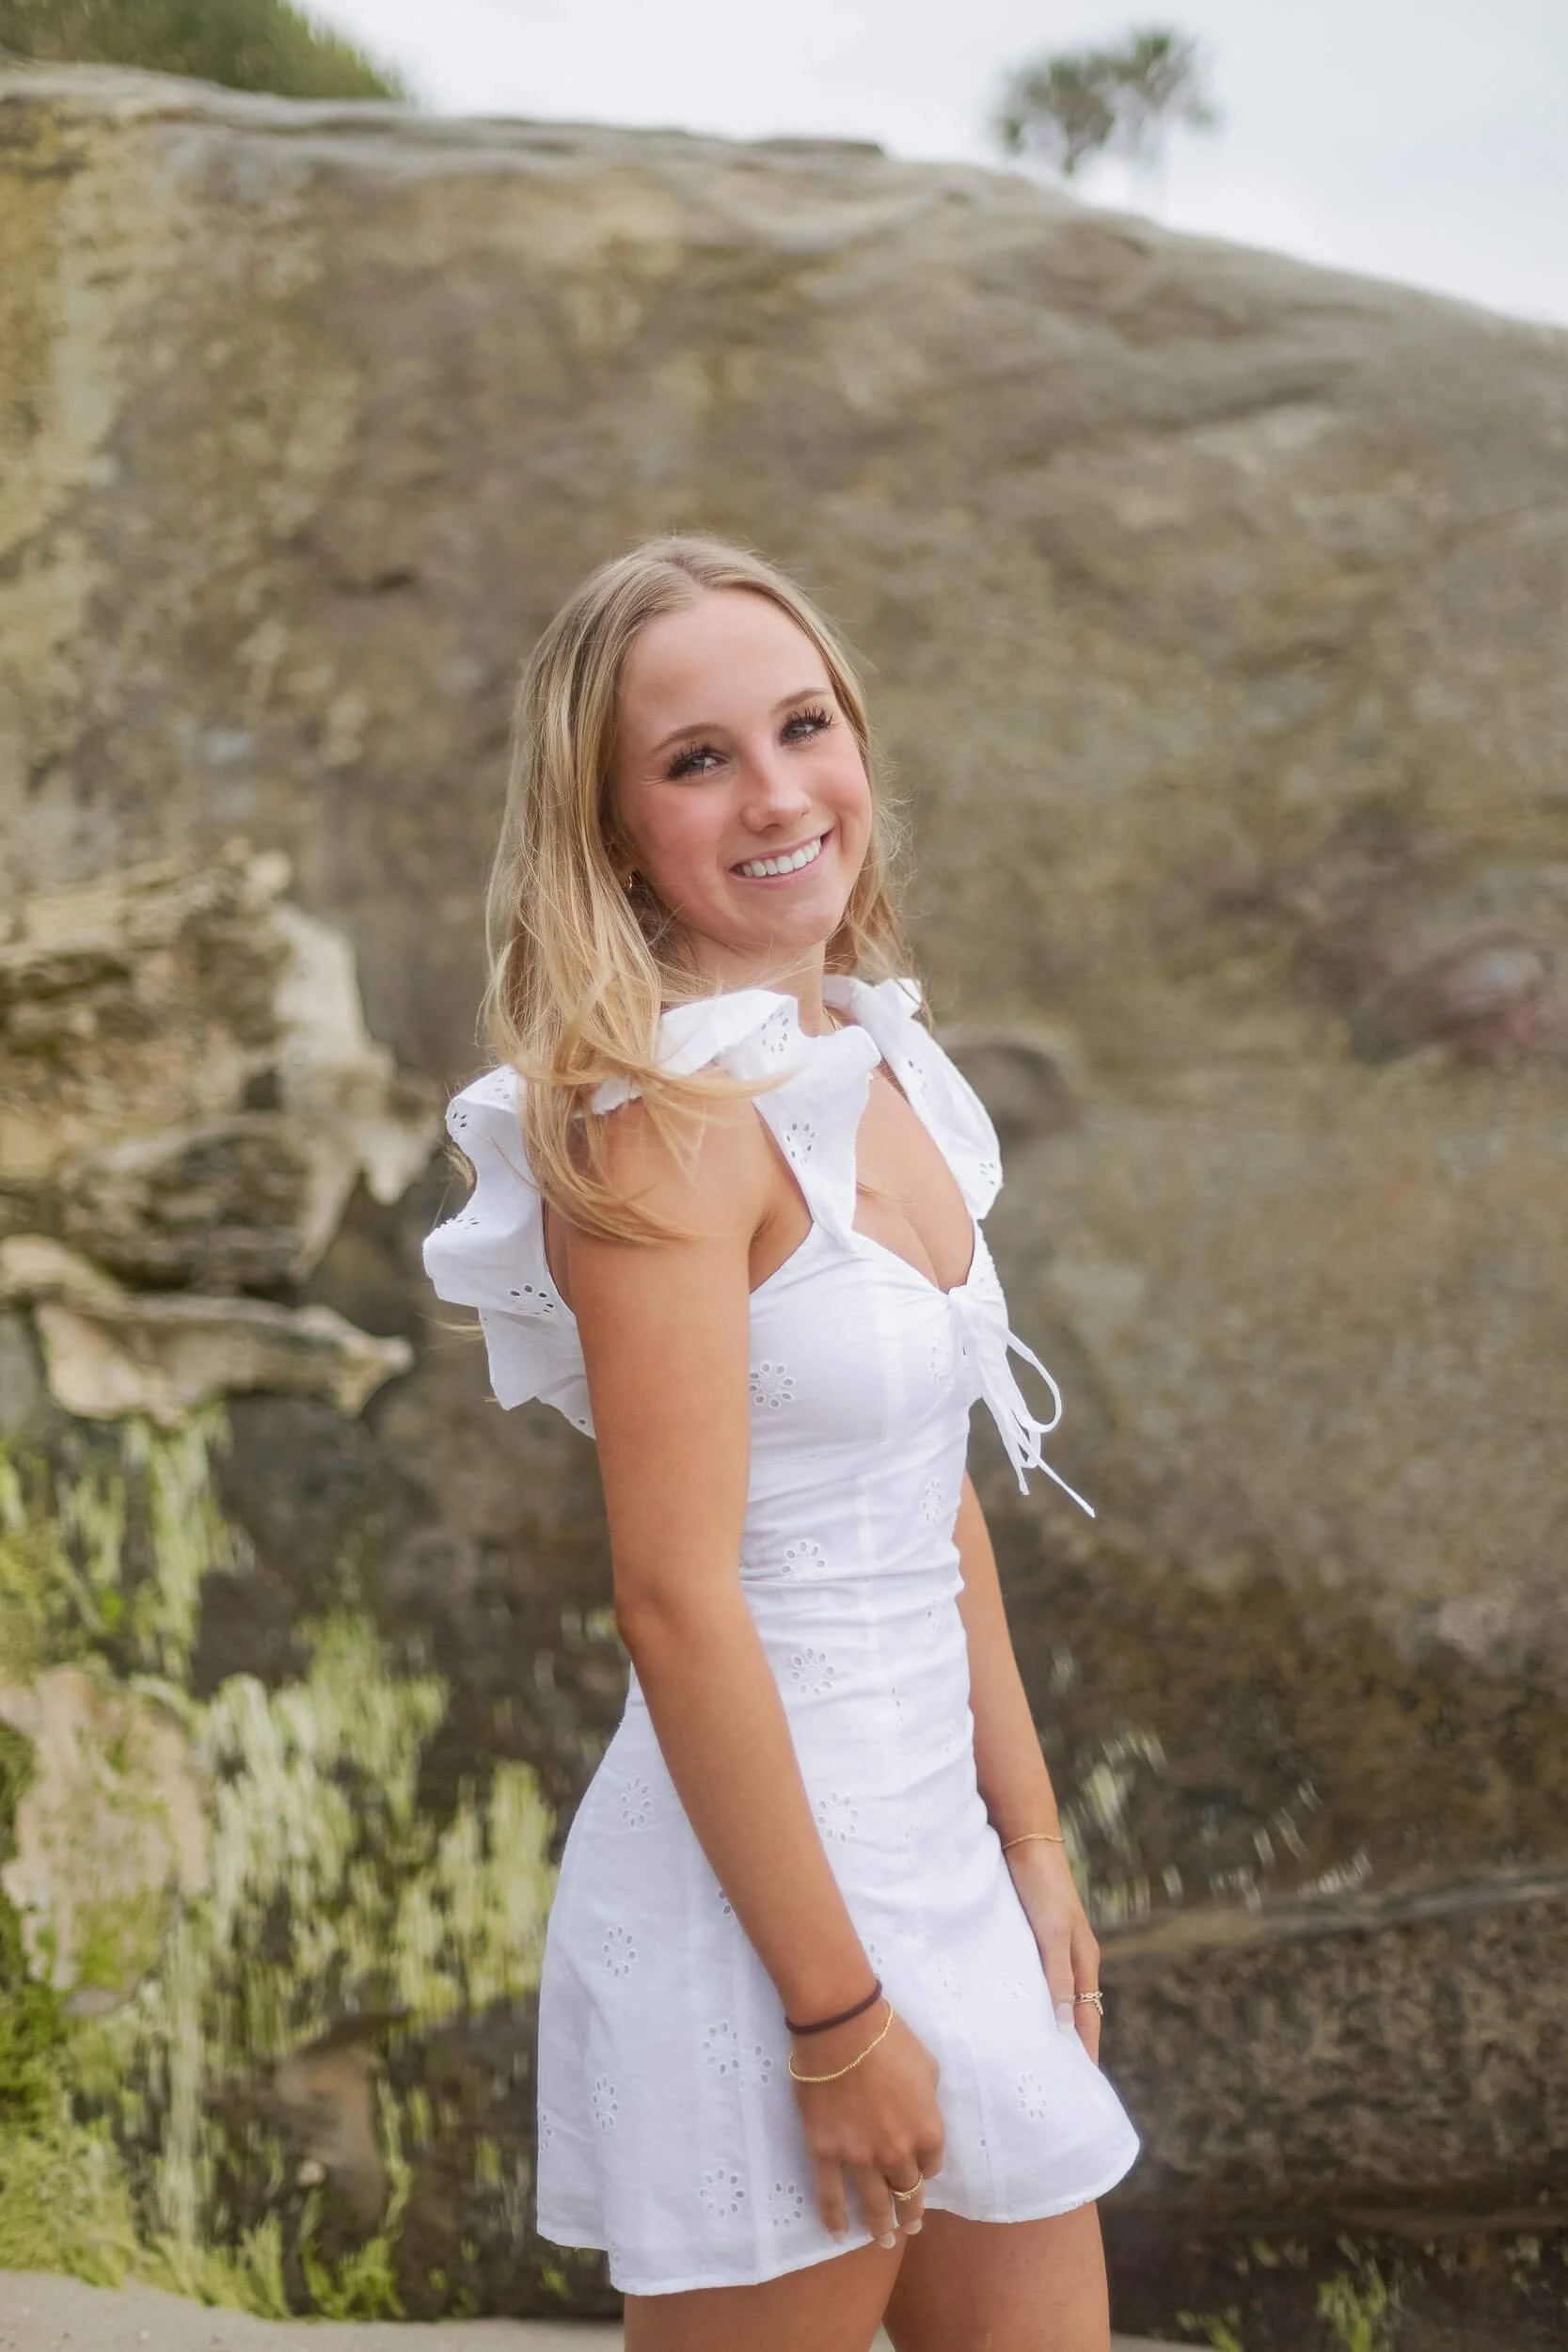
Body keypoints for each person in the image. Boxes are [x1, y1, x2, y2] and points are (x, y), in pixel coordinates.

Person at [422, 537, 1140, 2351]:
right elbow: (673, 1602)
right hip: (769, 1918)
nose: (775, 793)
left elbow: (932, 1489)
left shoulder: (881, 1072)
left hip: (941, 1868)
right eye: (694, 760)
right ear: (611, 827)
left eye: (802, 726)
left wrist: (1032, 1837)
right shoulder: (653, 1132)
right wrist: (835, 2020)